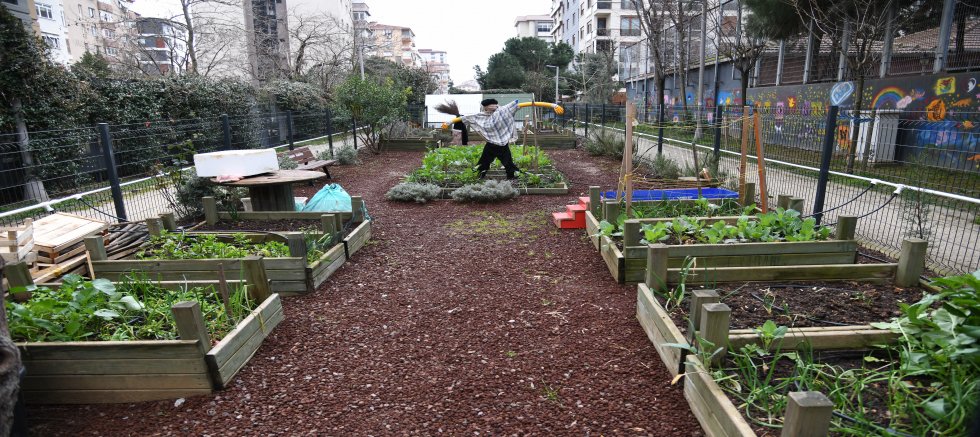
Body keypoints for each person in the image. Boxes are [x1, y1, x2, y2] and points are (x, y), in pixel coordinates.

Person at [443, 98, 564, 179]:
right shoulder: (481, 116)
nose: (491, 107)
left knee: (508, 163)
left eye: (492, 105)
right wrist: (448, 122)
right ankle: (480, 177)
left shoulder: (503, 111)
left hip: (501, 144)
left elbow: (526, 104)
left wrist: (553, 105)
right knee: (484, 162)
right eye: (489, 106)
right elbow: (464, 118)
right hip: (491, 144)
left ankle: (511, 178)